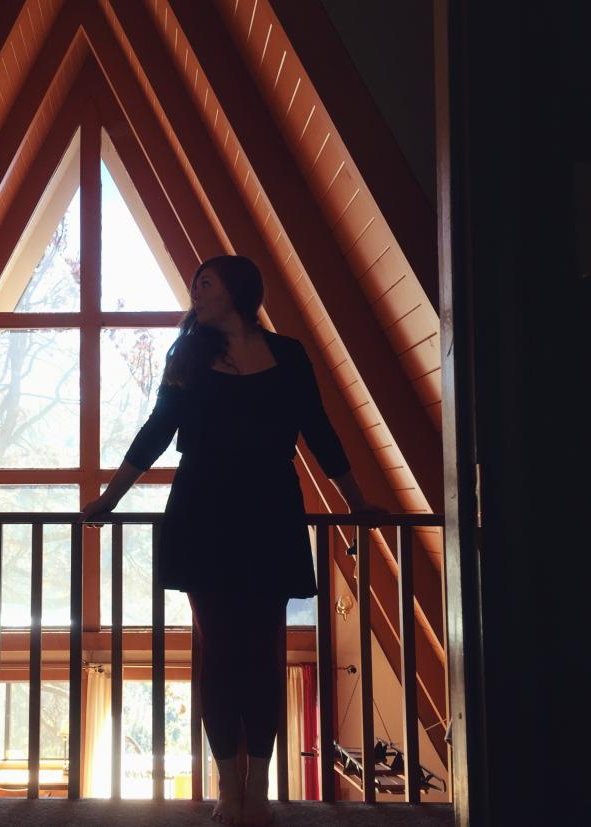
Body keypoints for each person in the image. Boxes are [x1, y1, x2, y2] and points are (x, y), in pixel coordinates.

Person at [80, 255, 386, 826]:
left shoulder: (289, 353)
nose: (195, 292)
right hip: (203, 509)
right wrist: (111, 497)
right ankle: (228, 784)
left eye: (206, 282)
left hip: (271, 509)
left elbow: (318, 429)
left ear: (238, 291)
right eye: (194, 284)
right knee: (220, 650)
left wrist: (356, 503)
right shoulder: (187, 355)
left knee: (264, 651)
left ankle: (259, 785)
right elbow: (157, 430)